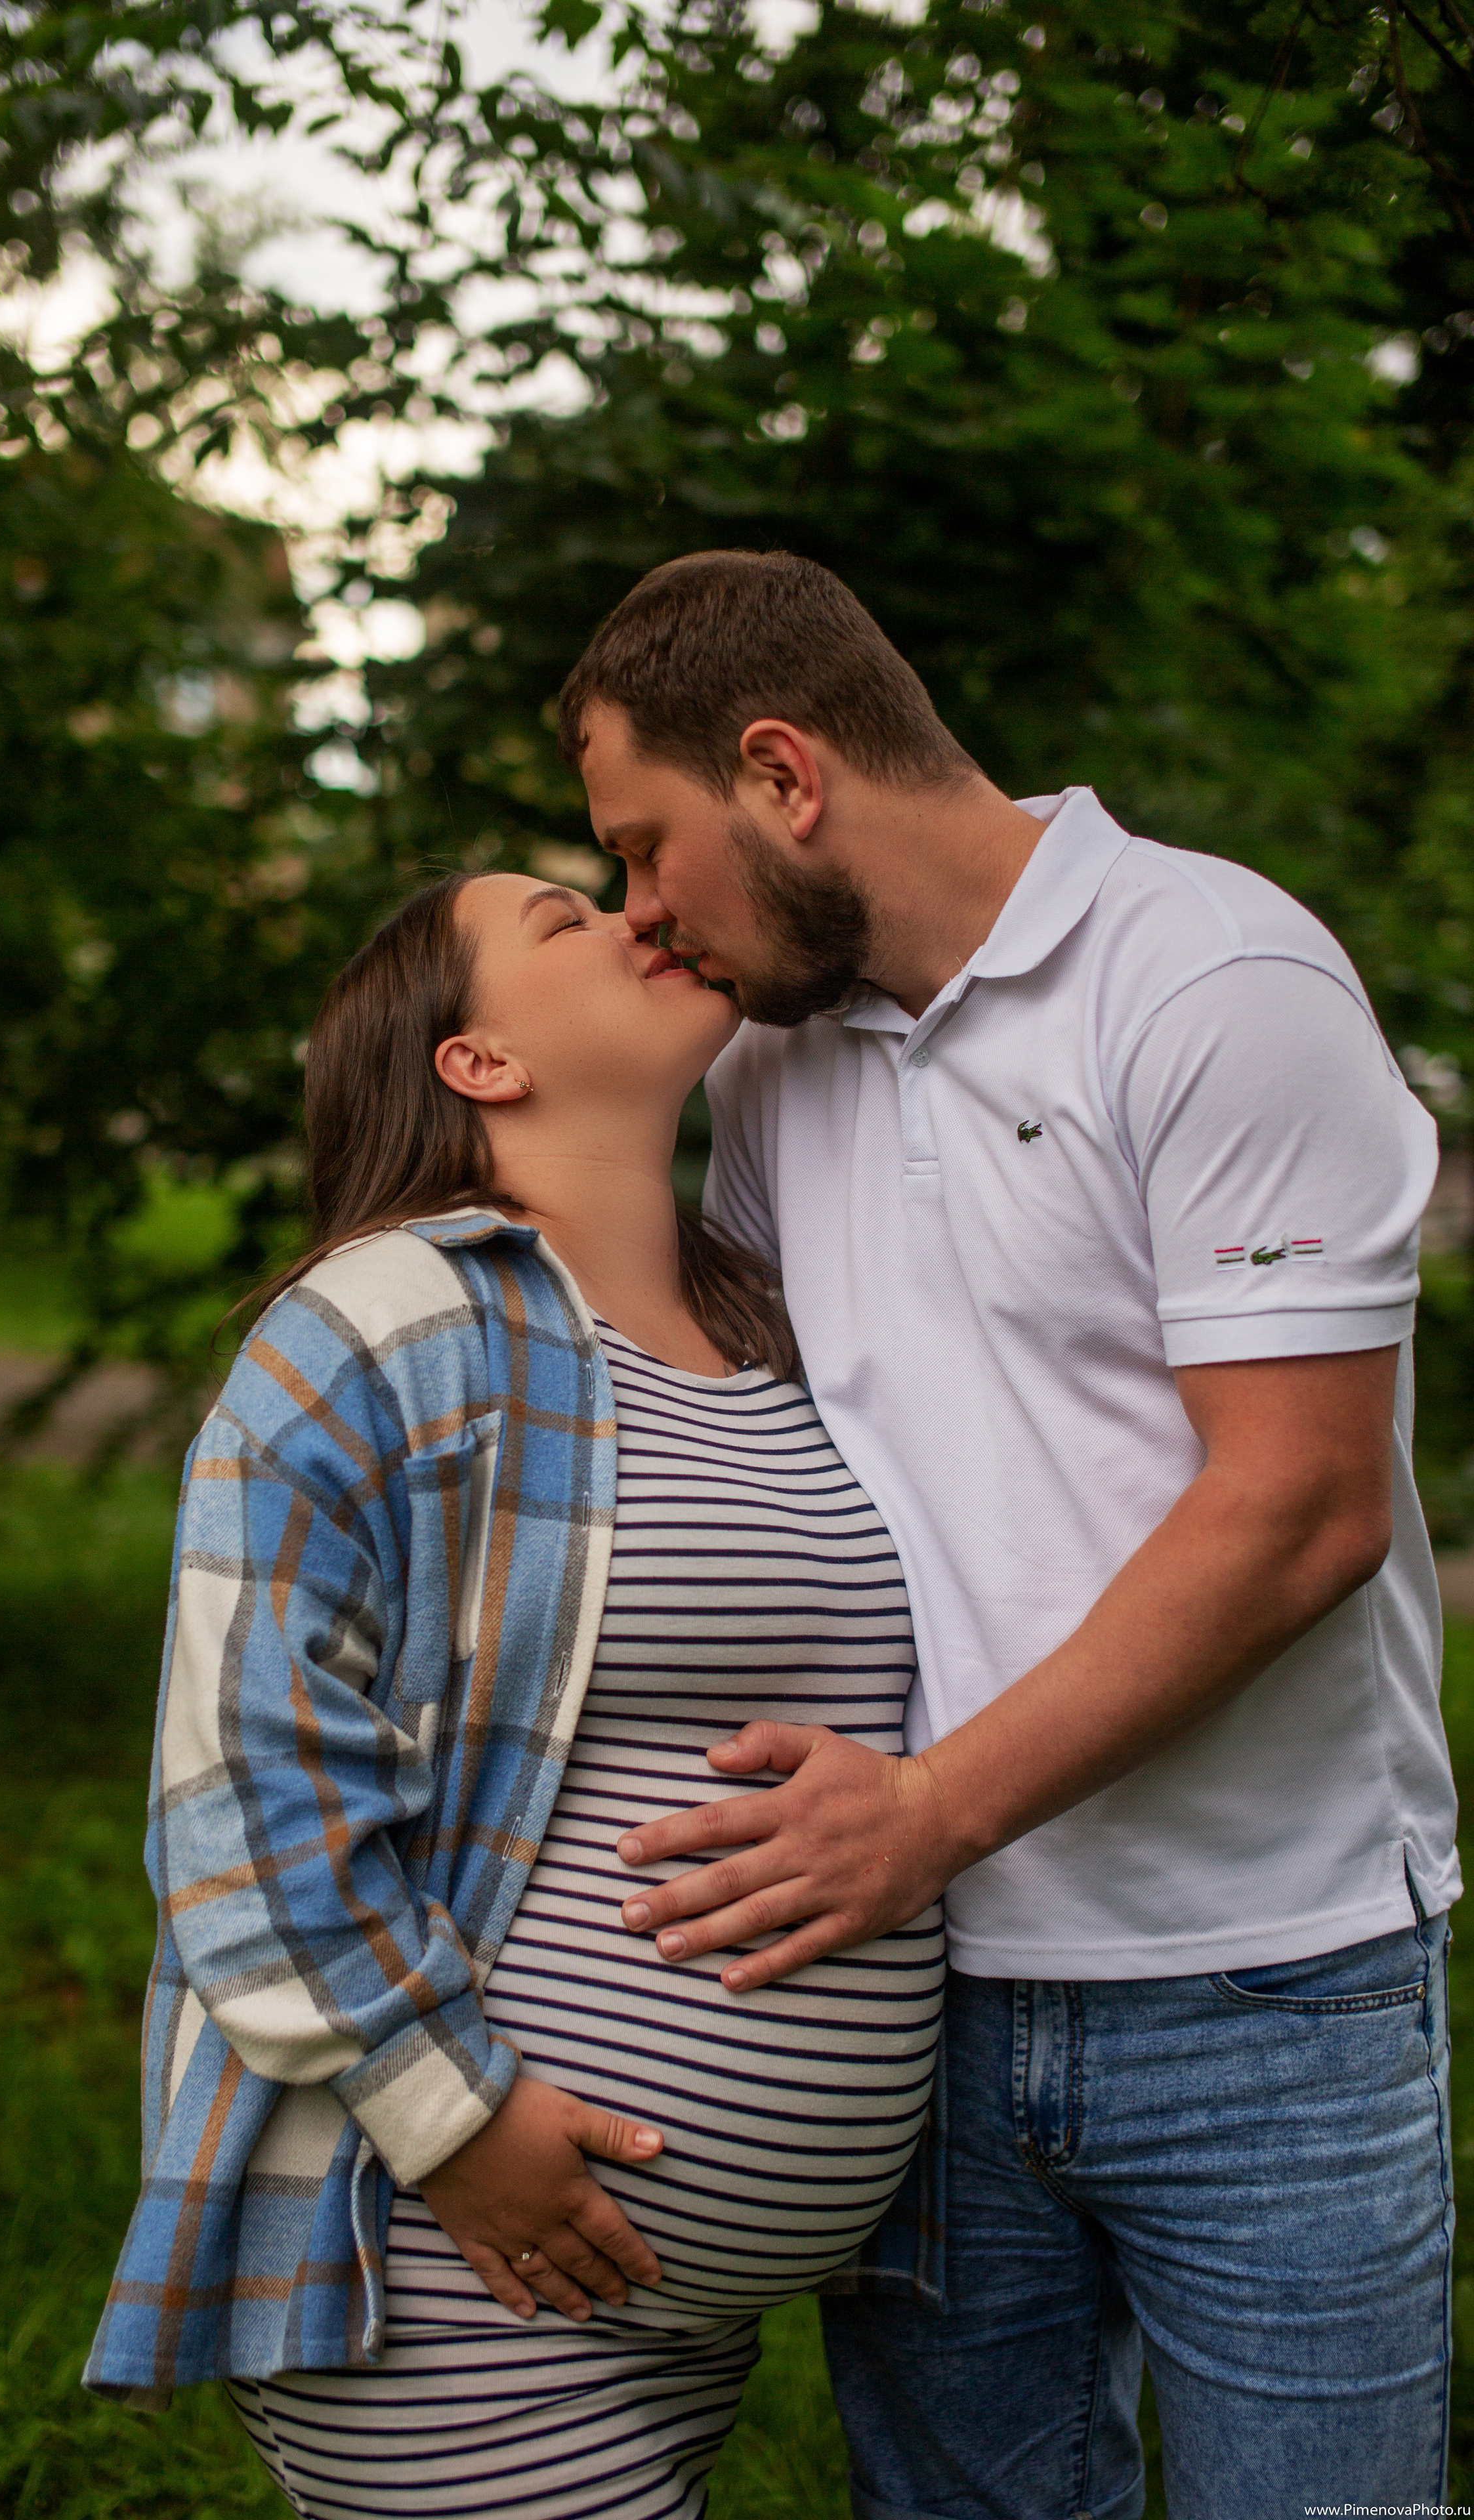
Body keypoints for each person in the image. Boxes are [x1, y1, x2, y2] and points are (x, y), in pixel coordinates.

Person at [555, 548, 1458, 2520]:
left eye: (644, 848)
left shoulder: (1216, 979)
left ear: (784, 775)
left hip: (1268, 1986)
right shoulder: (780, 1066)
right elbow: (767, 1448)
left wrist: (930, 1808)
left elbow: (1296, 1503)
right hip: (918, 1995)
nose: (640, 913)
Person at [81, 864, 944, 2519]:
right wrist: (455, 2123)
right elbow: (240, 1796)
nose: (635, 912)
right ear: (478, 1063)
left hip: (659, 2290)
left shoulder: (768, 1337)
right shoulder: (374, 1326)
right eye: (562, 919)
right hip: (448, 2243)